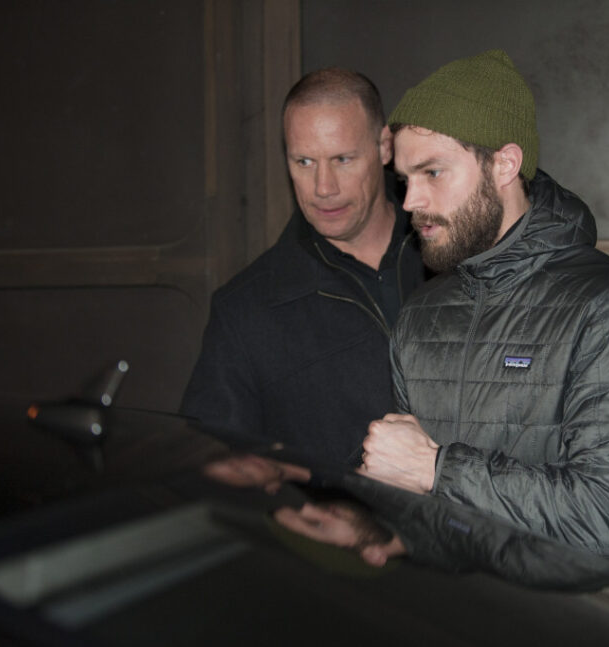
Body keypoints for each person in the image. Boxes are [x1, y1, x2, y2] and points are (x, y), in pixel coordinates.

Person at [277, 50, 609, 576]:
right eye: (405, 178)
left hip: (575, 626)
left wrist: (435, 468)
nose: (410, 200)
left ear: (504, 165)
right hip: (455, 621)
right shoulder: (424, 313)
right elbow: (424, 504)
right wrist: (368, 524)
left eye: (432, 172)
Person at [181, 68, 426, 470]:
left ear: (384, 146)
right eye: (304, 161)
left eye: (342, 159)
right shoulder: (245, 310)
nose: (323, 187)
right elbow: (216, 471)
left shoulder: (456, 255)